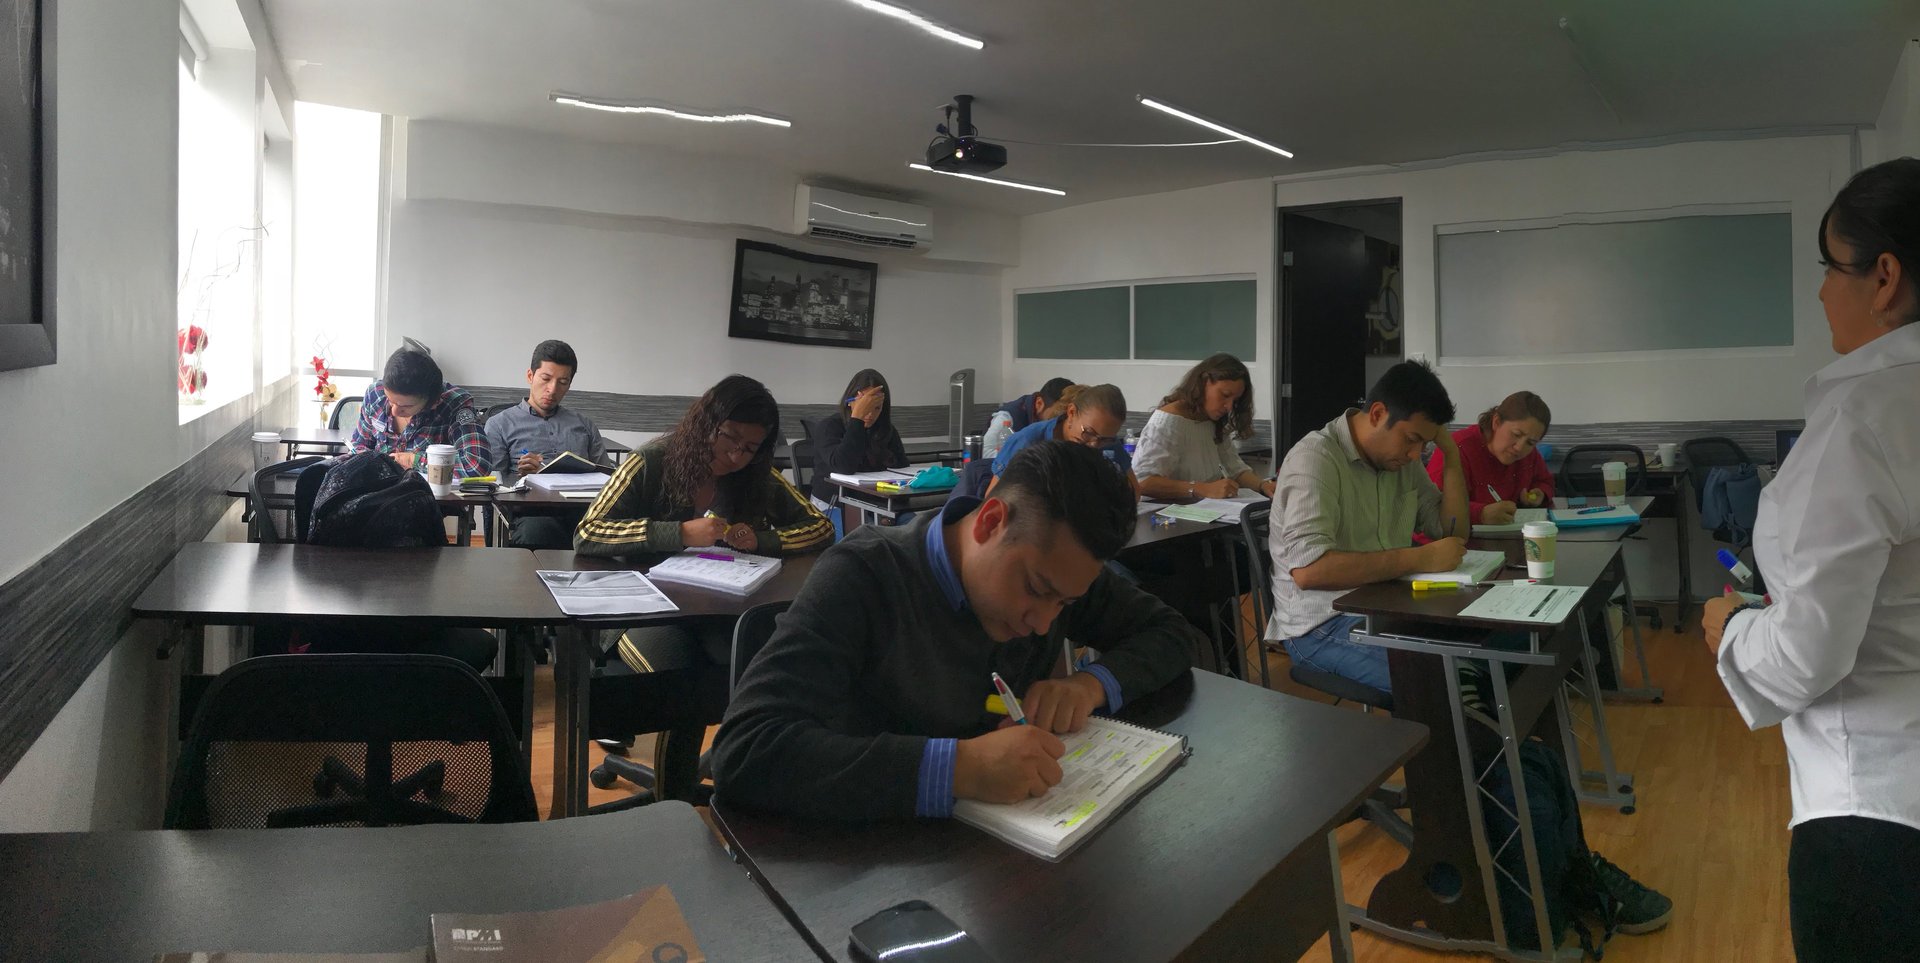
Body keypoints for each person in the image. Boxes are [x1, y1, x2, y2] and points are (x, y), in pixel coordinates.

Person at [712, 441, 1197, 821]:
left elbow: (1171, 631)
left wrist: (1089, 685)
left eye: (1065, 604)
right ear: (989, 521)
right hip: (861, 862)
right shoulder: (863, 576)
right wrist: (958, 769)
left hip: (1002, 856)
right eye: (1035, 589)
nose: (1045, 622)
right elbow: (746, 752)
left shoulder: (1061, 567)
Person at [1704, 157, 1920, 963]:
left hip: (1879, 815)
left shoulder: (1864, 418)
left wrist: (1729, 628)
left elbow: (1805, 656)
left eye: (1830, 268)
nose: (1824, 290)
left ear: (1883, 277)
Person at [575, 374, 832, 665]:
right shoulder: (650, 461)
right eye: (731, 437)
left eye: (749, 448)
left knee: (749, 662)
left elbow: (820, 526)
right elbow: (587, 532)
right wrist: (679, 533)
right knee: (678, 668)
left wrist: (762, 539)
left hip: (723, 606)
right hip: (646, 608)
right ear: (706, 423)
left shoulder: (756, 476)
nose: (736, 455)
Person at [1266, 359, 1469, 693]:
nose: (1416, 454)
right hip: (1321, 624)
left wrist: (1451, 455)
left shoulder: (1402, 460)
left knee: (1486, 660)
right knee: (1439, 683)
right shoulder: (1316, 459)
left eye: (1426, 444)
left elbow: (1451, 533)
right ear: (1377, 414)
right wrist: (1420, 559)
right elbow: (1309, 571)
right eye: (1411, 439)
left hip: (1387, 603)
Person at [484, 339, 613, 548]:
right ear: (530, 376)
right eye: (546, 379)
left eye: (562, 383)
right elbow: (493, 483)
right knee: (539, 531)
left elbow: (606, 476)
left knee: (612, 531)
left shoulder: (584, 425)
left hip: (583, 511)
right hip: (532, 512)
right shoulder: (499, 424)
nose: (552, 390)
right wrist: (522, 478)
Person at [1133, 353, 1275, 501]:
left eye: (1235, 400)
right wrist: (1201, 489)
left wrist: (1263, 485)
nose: (1229, 406)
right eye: (1225, 395)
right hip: (1170, 517)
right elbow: (1142, 481)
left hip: (1206, 513)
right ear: (1204, 383)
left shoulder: (1213, 421)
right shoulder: (1167, 422)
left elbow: (1235, 469)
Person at [349, 348, 490, 478]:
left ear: (433, 402)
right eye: (391, 401)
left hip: (430, 499)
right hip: (375, 495)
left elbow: (476, 465)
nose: (394, 411)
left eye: (406, 406)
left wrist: (413, 460)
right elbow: (359, 445)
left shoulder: (455, 403)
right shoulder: (375, 394)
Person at [1425, 390, 1555, 526]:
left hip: (1506, 536)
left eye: (1530, 442)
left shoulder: (1529, 454)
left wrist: (1540, 492)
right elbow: (1432, 508)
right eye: (1516, 434)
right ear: (1496, 422)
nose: (1519, 447)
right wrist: (1480, 514)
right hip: (1449, 541)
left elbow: (1545, 481)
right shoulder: (1456, 450)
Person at [809, 368, 909, 537]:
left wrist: (890, 514)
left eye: (876, 408)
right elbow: (843, 466)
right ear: (851, 402)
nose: (869, 415)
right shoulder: (829, 427)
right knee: (870, 541)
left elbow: (903, 474)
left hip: (880, 506)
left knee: (918, 531)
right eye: (865, 407)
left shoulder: (887, 431)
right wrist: (857, 420)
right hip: (835, 505)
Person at [990, 384, 1137, 492]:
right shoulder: (1029, 441)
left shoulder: (1106, 441)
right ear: (1071, 412)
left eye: (1105, 439)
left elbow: (1133, 491)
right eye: (1088, 432)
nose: (1094, 444)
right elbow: (993, 497)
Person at [981, 376, 1073, 458]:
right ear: (1039, 403)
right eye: (1058, 414)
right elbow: (984, 452)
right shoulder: (1007, 417)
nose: (1063, 420)